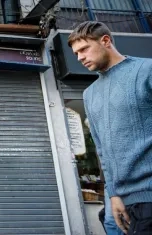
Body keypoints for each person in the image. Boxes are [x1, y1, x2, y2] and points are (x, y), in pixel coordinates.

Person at [67, 21, 152, 235]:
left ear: (105, 41)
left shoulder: (146, 70)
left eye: (84, 49)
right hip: (124, 201)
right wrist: (113, 195)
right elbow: (102, 149)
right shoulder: (89, 94)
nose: (79, 58)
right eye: (76, 53)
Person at [85, 118, 124, 235]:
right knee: (110, 220)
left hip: (119, 181)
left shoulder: (112, 139)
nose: (92, 131)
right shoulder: (99, 143)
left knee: (112, 221)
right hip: (109, 183)